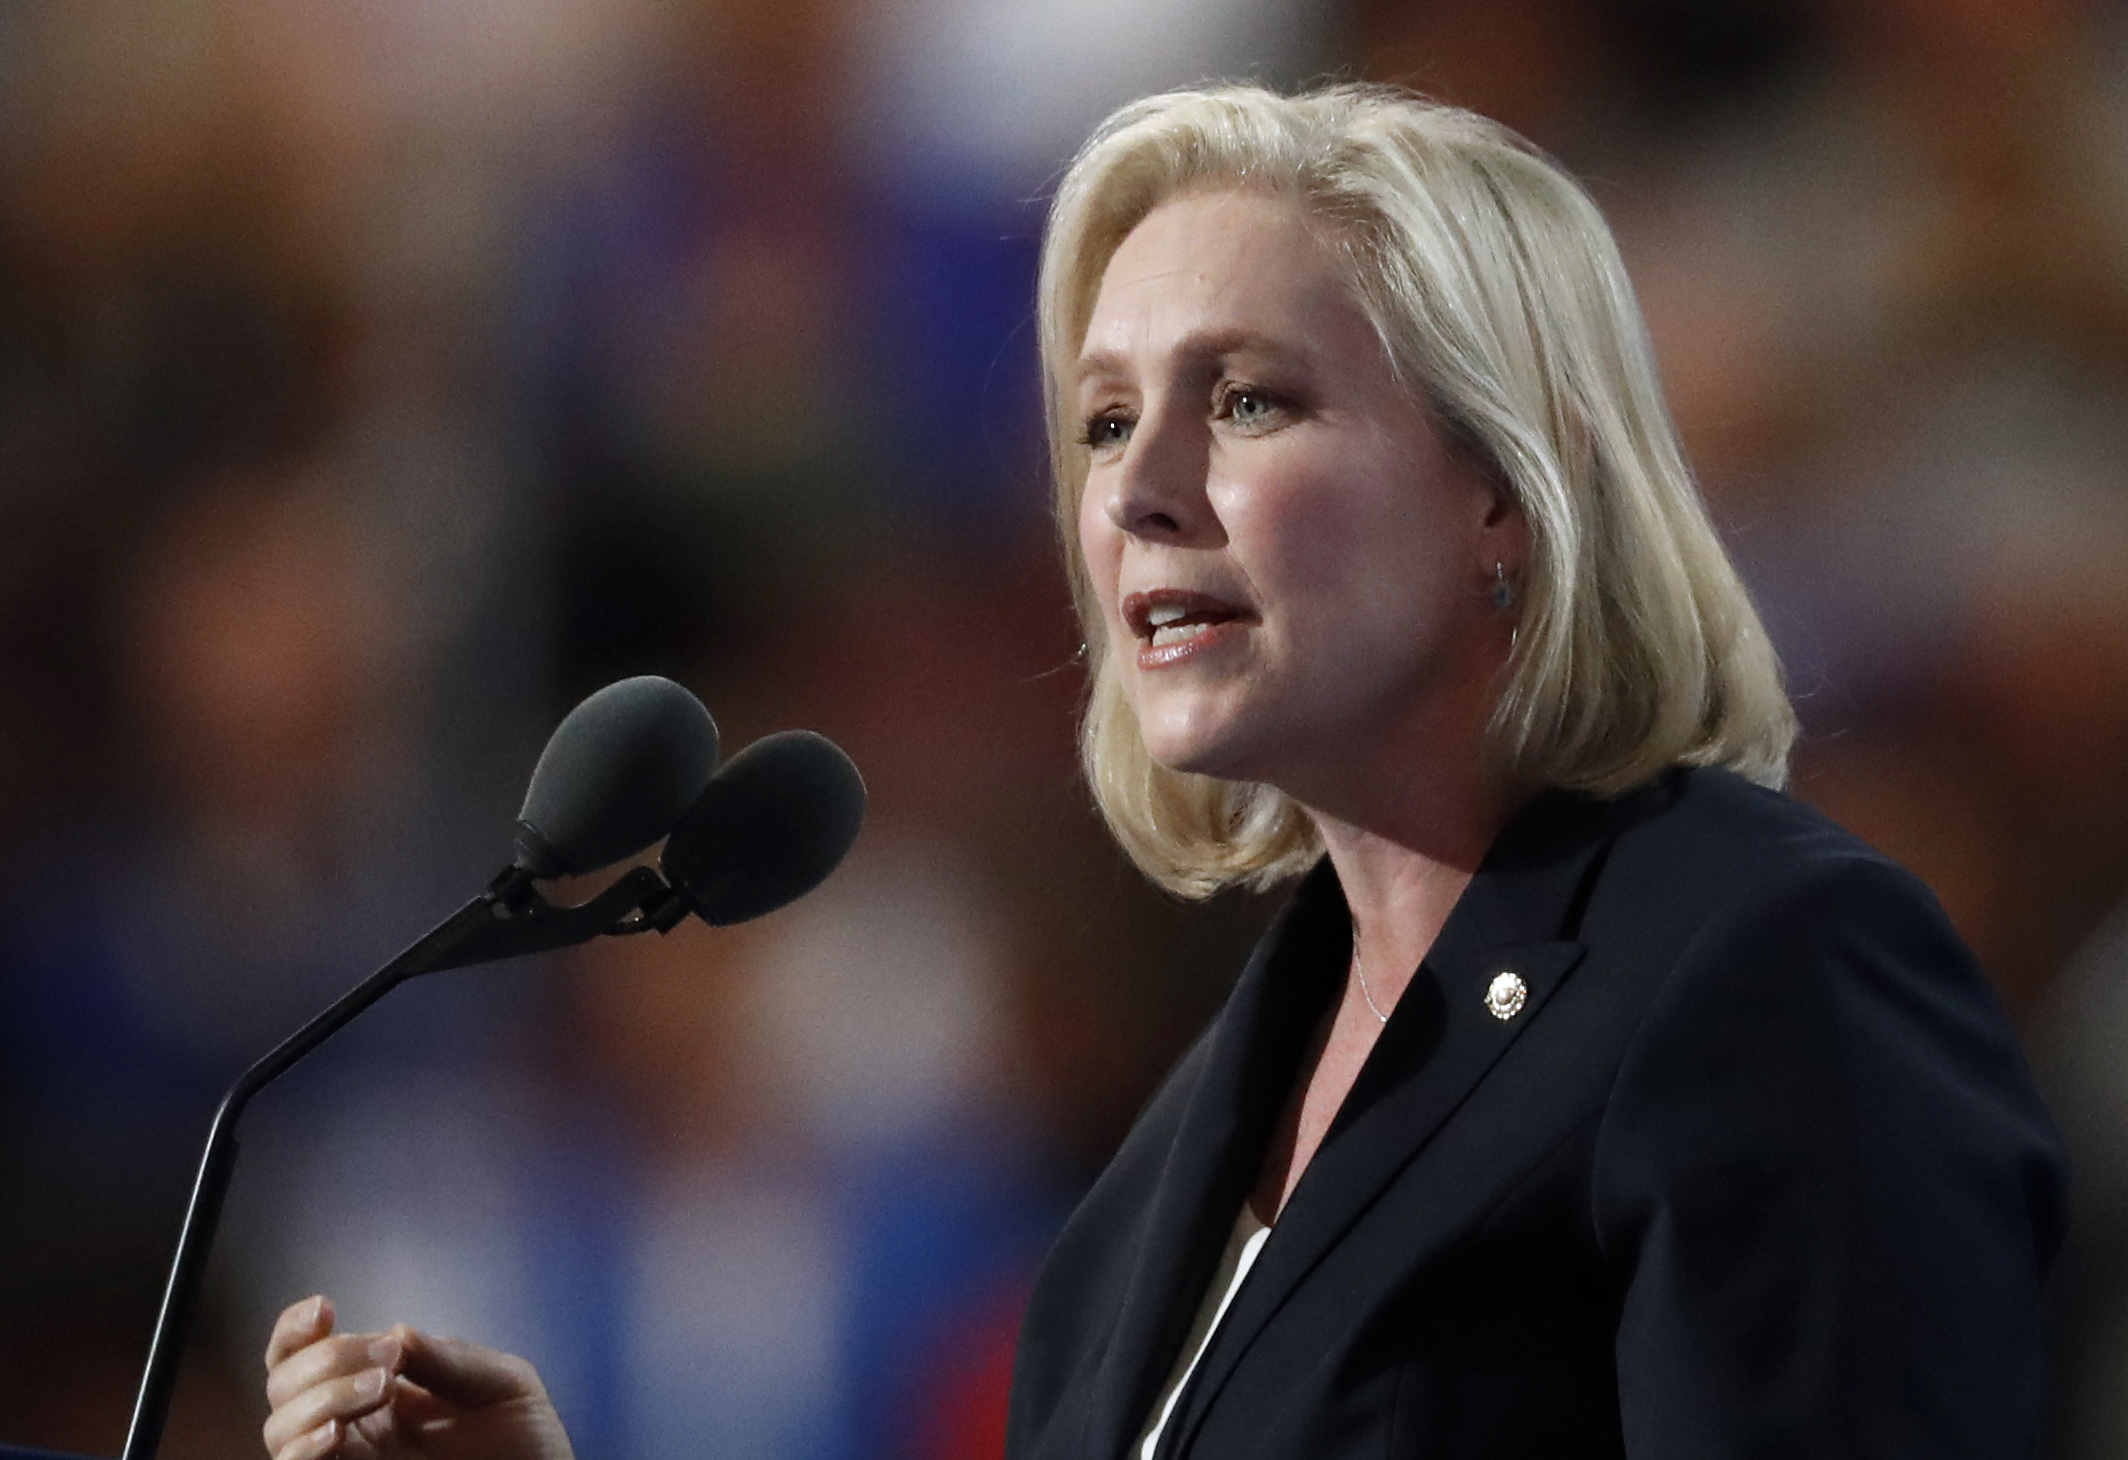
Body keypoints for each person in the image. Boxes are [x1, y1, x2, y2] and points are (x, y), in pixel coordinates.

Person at [259, 83, 2067, 1460]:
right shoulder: (1168, 1159)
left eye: (1252, 400)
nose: (1136, 488)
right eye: (1109, 417)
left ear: (1510, 491)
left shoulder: (1764, 970)